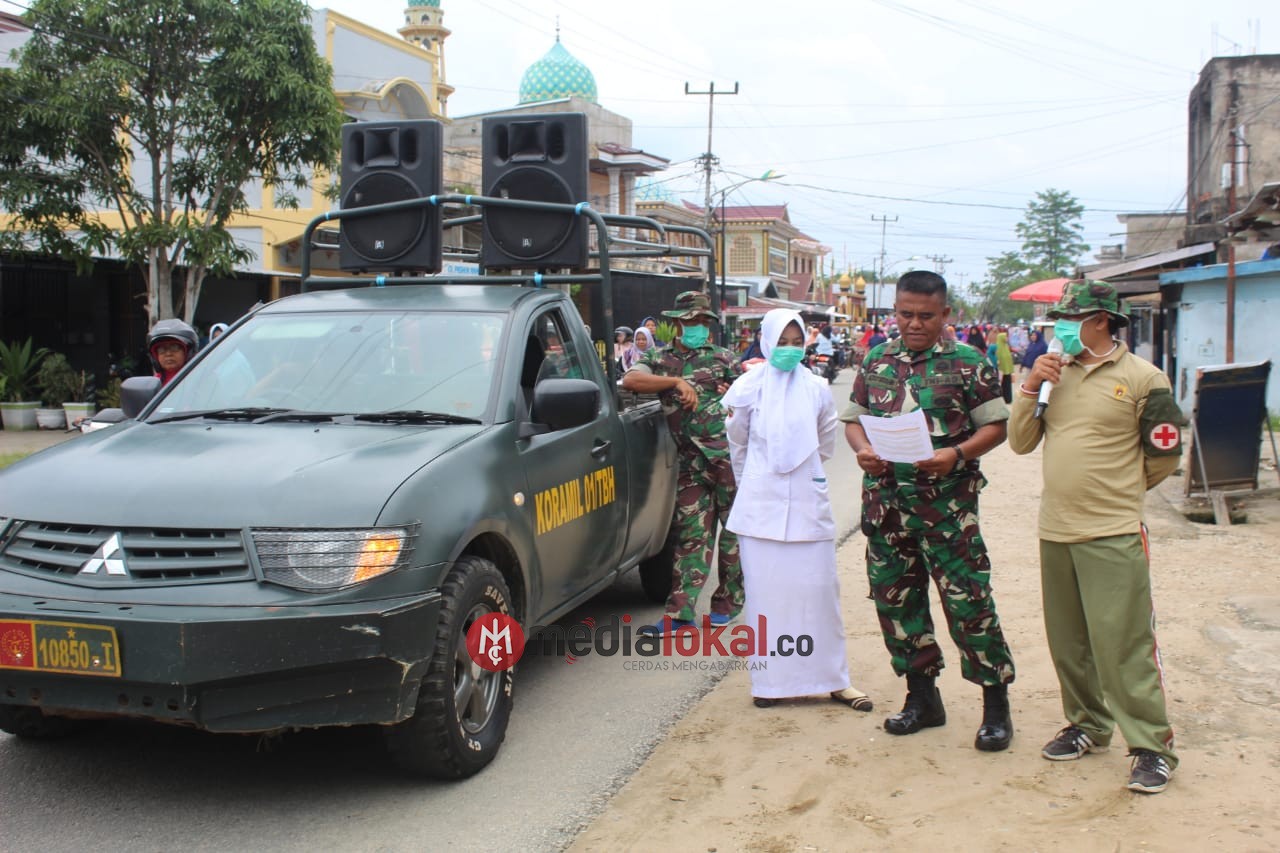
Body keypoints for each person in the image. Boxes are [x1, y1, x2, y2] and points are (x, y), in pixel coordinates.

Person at [1008, 280, 1183, 795]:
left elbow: (1165, 453)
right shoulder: (1052, 375)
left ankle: (1151, 746)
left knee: (1124, 645)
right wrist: (1029, 385)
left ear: (1102, 320)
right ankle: (1086, 725)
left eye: (1070, 317)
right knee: (1069, 642)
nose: (1060, 327)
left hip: (1112, 532)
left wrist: (1122, 494)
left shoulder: (1144, 379)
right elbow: (1020, 443)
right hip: (1055, 529)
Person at [841, 270, 1016, 752]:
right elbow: (855, 421)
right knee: (898, 605)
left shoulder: (968, 363)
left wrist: (956, 455)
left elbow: (996, 428)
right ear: (894, 311)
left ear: (945, 315)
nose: (914, 324)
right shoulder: (877, 359)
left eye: (925, 316)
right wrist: (862, 451)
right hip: (886, 508)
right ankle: (922, 700)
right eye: (905, 314)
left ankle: (995, 708)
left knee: (969, 605)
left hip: (947, 512)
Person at [723, 309, 872, 712]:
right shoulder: (747, 387)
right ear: (767, 341)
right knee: (768, 598)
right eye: (782, 341)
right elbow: (737, 443)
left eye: (796, 341)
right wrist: (757, 478)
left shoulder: (817, 387)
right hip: (760, 506)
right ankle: (771, 684)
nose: (789, 349)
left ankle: (834, 680)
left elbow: (825, 441)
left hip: (808, 500)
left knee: (819, 593)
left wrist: (802, 474)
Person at [622, 291, 744, 635]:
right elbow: (630, 380)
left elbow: (750, 402)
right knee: (691, 536)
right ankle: (679, 614)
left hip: (729, 462)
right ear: (677, 323)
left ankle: (727, 603)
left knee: (733, 537)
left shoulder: (724, 359)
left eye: (704, 321)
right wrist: (676, 381)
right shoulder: (661, 359)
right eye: (692, 321)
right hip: (691, 464)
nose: (699, 327)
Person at [147, 319, 198, 385]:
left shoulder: (200, 379)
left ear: (188, 353)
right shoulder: (153, 385)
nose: (168, 354)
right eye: (162, 350)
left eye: (174, 348)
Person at [993, 331, 1014, 403]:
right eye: (1005, 337)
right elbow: (996, 359)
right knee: (1001, 385)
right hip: (1001, 371)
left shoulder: (1006, 346)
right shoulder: (997, 347)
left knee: (1008, 385)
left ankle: (1008, 399)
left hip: (1007, 370)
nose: (1007, 338)